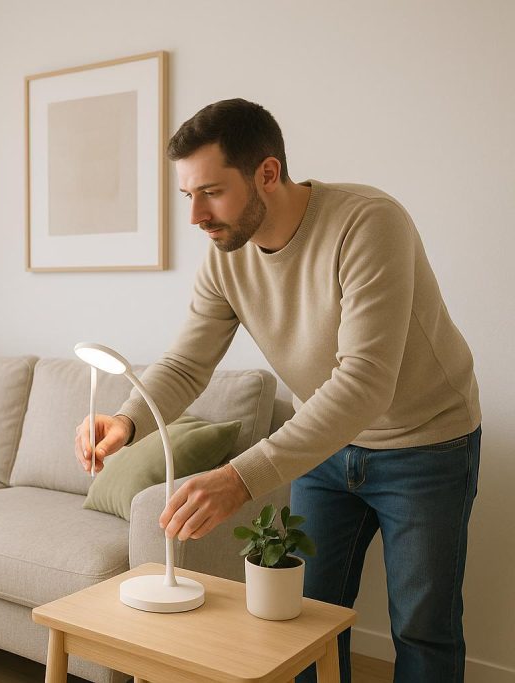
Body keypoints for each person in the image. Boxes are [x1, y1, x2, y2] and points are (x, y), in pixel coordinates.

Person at [73, 98, 481, 683]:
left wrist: (241, 478)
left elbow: (364, 382)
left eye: (211, 191)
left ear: (267, 172)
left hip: (427, 444)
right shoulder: (225, 260)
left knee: (422, 626)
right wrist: (129, 418)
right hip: (324, 445)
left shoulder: (368, 222)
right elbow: (188, 363)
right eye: (188, 195)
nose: (196, 216)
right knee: (300, 622)